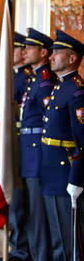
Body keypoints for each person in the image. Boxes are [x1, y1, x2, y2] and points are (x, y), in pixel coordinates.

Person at [40, 30, 84, 261]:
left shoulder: (77, 91)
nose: (51, 57)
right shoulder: (59, 87)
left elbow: (83, 143)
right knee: (57, 237)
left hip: (65, 173)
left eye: (57, 53)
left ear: (72, 58)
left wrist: (76, 180)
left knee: (70, 241)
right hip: (51, 171)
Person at [17, 28, 55, 261]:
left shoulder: (44, 83)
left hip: (37, 152)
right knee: (32, 209)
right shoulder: (34, 79)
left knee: (38, 212)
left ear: (43, 52)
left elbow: (49, 121)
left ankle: (41, 255)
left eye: (29, 48)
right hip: (28, 150)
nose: (24, 51)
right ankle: (33, 252)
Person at [0, 32, 33, 261]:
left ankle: (20, 249)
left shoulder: (25, 78)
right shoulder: (10, 76)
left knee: (19, 200)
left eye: (17, 48)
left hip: (21, 142)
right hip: (12, 140)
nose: (17, 53)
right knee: (13, 199)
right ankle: (14, 247)